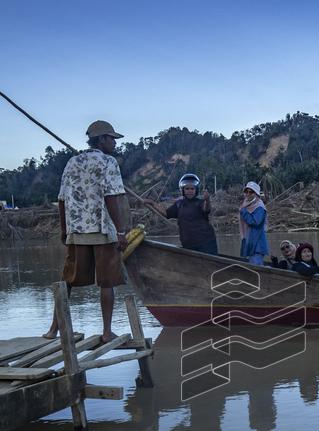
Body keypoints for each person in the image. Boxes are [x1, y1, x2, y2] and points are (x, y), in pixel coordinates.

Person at [44, 120, 129, 342]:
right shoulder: (108, 162)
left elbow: (61, 199)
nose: (114, 143)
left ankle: (54, 329)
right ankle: (107, 332)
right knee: (107, 281)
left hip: (77, 231)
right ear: (101, 139)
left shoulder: (72, 162)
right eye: (112, 139)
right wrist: (121, 232)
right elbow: (112, 198)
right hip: (102, 231)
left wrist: (64, 230)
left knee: (68, 281)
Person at [150, 173, 217, 253]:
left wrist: (207, 200)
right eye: (187, 189)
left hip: (206, 242)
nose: (189, 191)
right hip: (189, 244)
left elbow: (206, 209)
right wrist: (153, 204)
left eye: (192, 189)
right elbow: (166, 213)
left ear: (196, 190)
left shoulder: (200, 203)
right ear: (183, 190)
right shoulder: (179, 204)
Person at [239, 181, 268, 266]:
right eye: (246, 191)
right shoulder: (247, 205)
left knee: (256, 271)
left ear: (256, 194)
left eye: (251, 192)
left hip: (257, 245)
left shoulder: (260, 207)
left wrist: (243, 211)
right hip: (251, 243)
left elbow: (255, 222)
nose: (248, 194)